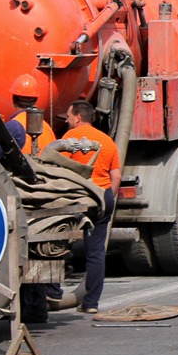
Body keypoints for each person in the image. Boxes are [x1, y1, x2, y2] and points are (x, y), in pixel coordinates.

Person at [60, 100, 121, 315]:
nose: (67, 121)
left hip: (80, 197)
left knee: (58, 245)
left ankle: (51, 294)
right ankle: (91, 303)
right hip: (103, 195)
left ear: (78, 117)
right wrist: (106, 199)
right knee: (96, 252)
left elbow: (59, 169)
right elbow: (116, 176)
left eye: (68, 116)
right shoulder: (108, 141)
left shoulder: (70, 139)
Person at [7, 73, 57, 155]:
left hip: (23, 167)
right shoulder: (47, 128)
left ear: (13, 100)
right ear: (35, 100)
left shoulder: (13, 126)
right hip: (44, 167)